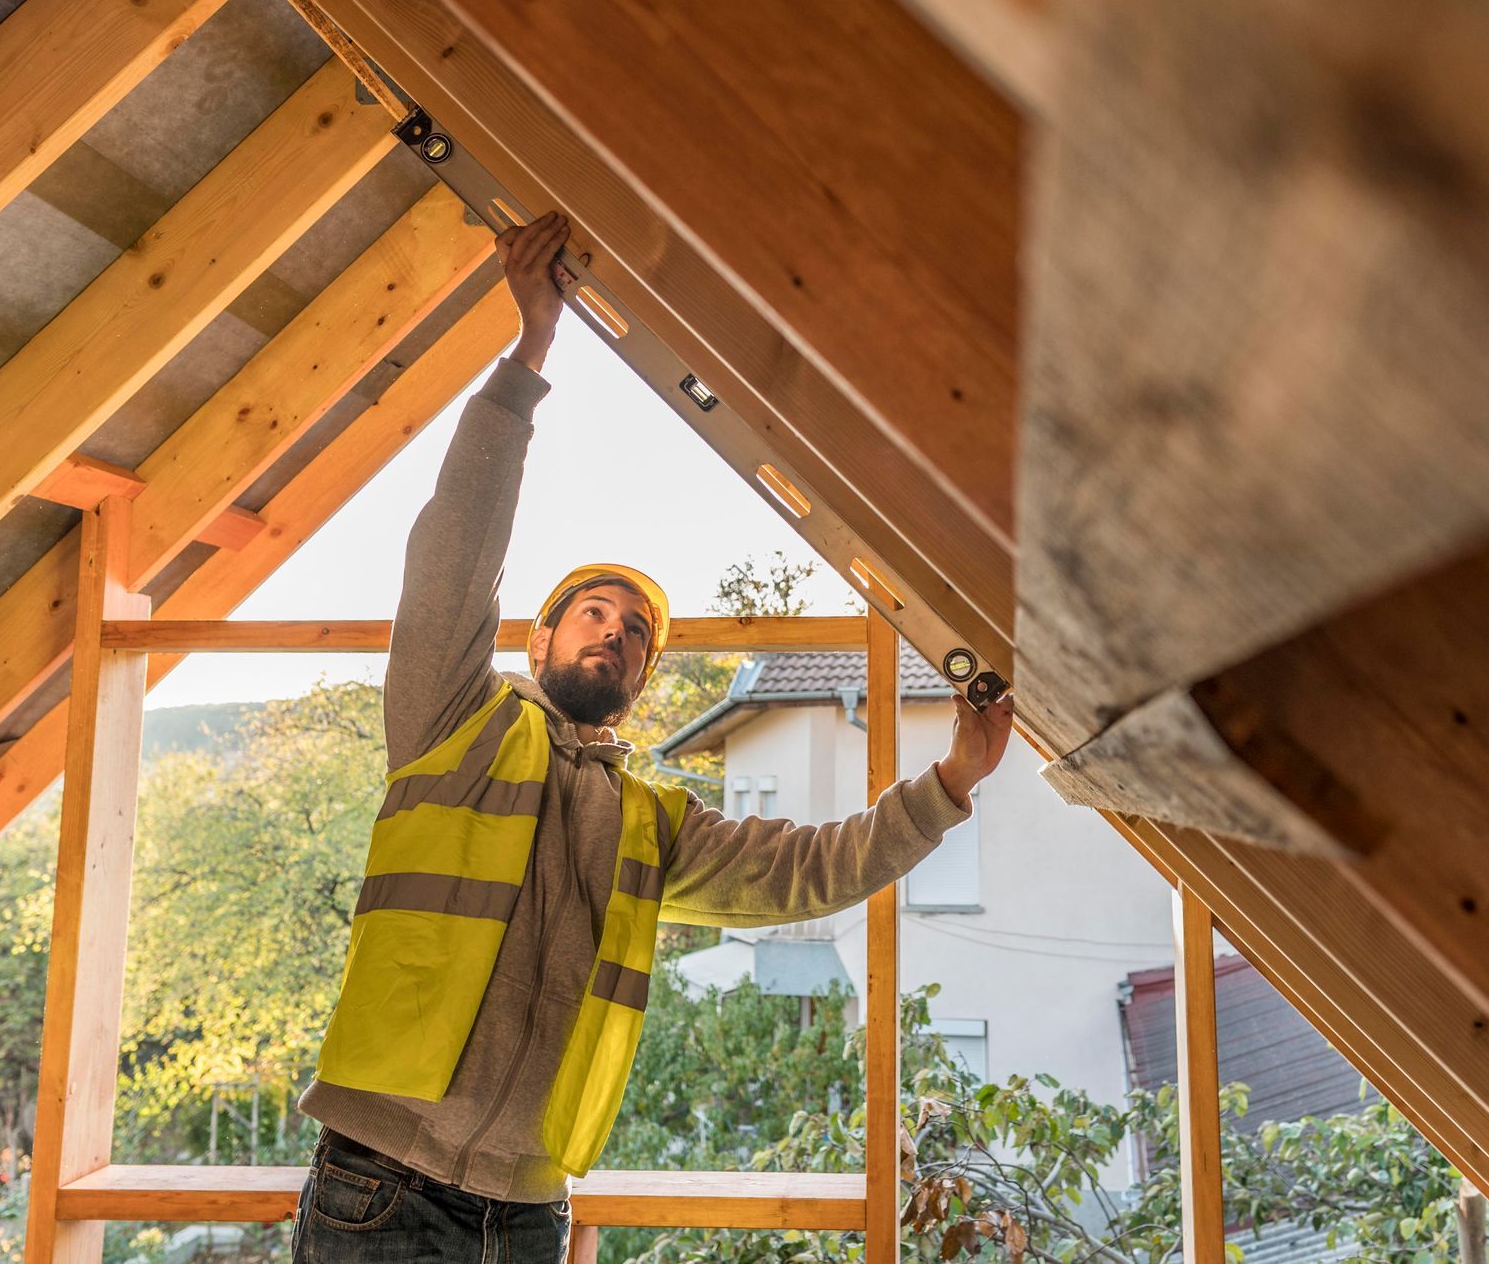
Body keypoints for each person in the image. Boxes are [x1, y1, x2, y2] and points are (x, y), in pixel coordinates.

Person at [290, 211, 1015, 1261]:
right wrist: (528, 357)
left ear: (638, 680)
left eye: (635, 632)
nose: (616, 633)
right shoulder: (454, 720)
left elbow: (809, 872)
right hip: (380, 1185)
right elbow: (453, 550)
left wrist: (950, 780)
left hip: (530, 1212)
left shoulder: (649, 820)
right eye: (594, 611)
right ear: (538, 635)